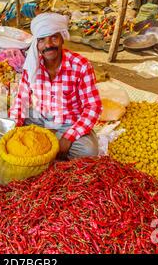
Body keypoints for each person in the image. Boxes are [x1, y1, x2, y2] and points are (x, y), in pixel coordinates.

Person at [9, 13, 102, 160]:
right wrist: (13, 128)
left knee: (89, 151)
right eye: (42, 40)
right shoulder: (32, 66)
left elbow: (93, 107)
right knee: (11, 124)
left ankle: (49, 144)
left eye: (54, 37)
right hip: (39, 120)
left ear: (62, 38)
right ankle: (47, 143)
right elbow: (21, 100)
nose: (48, 45)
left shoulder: (81, 66)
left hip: (68, 124)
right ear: (37, 45)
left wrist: (68, 138)